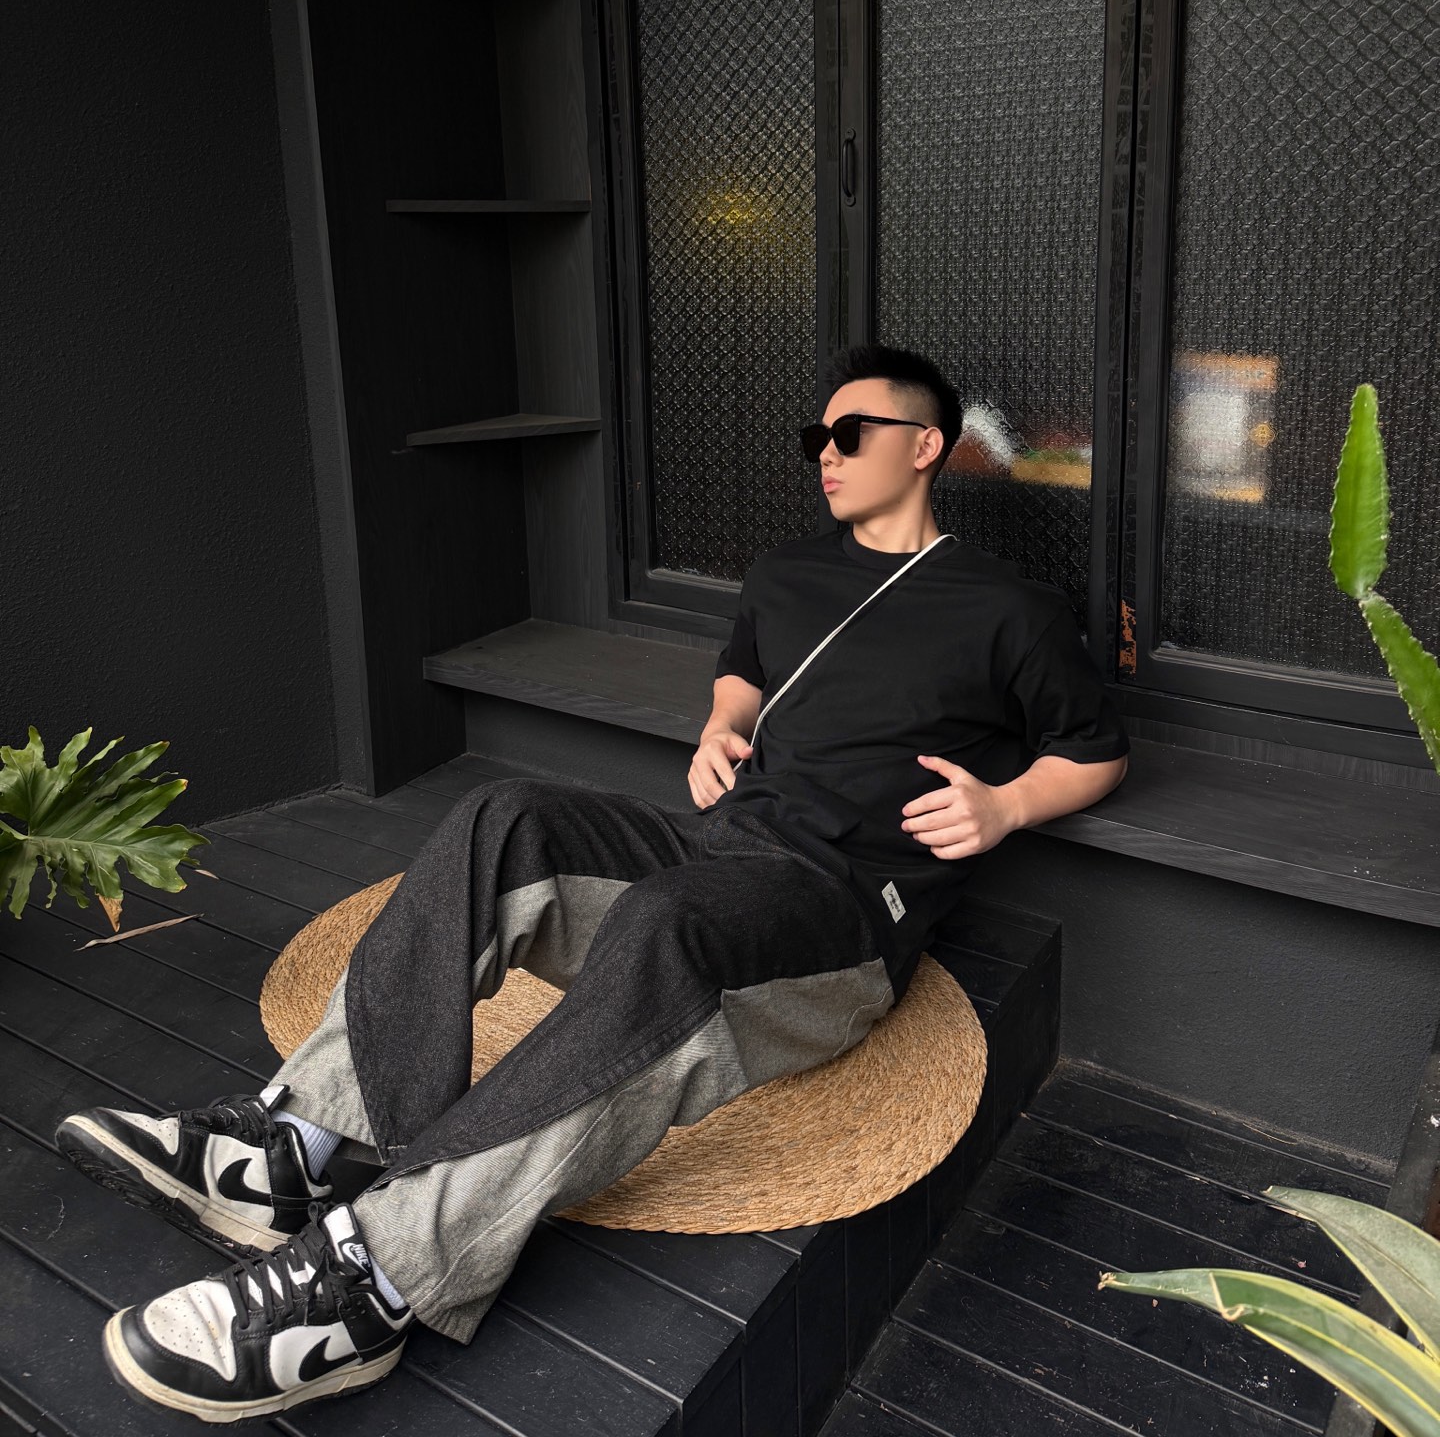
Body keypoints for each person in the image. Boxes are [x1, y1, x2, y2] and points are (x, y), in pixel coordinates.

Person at [55, 342, 1129, 1422]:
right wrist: (723, 726)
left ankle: (374, 1278)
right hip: (720, 849)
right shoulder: (788, 573)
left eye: (850, 434)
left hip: (840, 913)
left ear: (926, 445)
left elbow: (1096, 751)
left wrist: (1006, 806)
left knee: (666, 926)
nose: (826, 454)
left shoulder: (1007, 607)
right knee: (504, 816)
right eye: (817, 437)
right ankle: (307, 1142)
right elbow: (745, 671)